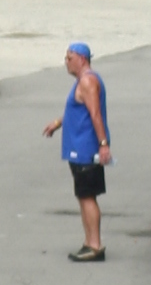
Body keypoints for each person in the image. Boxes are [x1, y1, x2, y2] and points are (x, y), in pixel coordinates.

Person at [44, 41, 111, 260]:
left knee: (87, 196)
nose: (66, 62)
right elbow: (79, 112)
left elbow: (95, 114)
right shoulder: (83, 82)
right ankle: (88, 241)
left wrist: (103, 145)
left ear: (82, 59)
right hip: (78, 149)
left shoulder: (88, 81)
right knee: (83, 196)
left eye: (69, 58)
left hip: (86, 150)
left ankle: (95, 245)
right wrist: (58, 123)